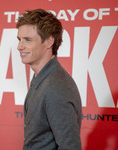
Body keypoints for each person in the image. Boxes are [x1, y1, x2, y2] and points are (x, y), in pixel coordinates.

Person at [16, 9, 82, 150]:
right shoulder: (42, 78)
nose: (19, 46)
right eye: (19, 39)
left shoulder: (55, 87)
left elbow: (71, 147)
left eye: (27, 40)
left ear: (49, 41)